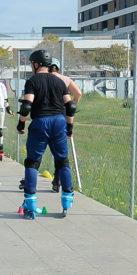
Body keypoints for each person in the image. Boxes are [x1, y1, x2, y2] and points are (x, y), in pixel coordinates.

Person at [16, 50, 76, 219]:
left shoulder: (32, 81)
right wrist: (69, 128)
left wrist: (21, 124)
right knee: (62, 160)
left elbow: (27, 106)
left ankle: (30, 201)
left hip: (40, 122)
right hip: (59, 122)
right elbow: (70, 106)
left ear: (36, 64)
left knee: (33, 162)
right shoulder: (59, 81)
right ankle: (67, 198)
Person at [47, 57, 83, 192]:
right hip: (61, 114)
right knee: (60, 149)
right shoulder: (65, 79)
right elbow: (78, 93)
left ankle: (29, 178)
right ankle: (57, 178)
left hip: (45, 113)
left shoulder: (42, 78)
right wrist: (72, 105)